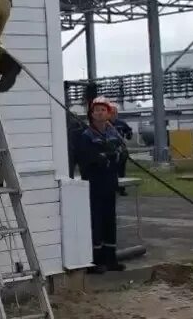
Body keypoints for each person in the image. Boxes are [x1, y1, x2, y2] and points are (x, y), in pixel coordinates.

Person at [73, 97, 125, 273]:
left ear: (109, 113)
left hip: (110, 183)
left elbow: (123, 154)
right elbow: (86, 159)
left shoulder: (114, 134)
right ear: (92, 114)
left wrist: (116, 155)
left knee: (110, 221)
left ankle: (111, 259)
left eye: (103, 110)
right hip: (95, 185)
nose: (100, 113)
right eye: (96, 110)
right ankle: (96, 261)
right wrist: (103, 156)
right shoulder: (86, 136)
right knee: (96, 222)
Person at [109, 102, 133, 196]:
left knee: (121, 171)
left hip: (121, 151)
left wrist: (128, 134)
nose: (114, 114)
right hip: (110, 151)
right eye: (111, 112)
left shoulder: (121, 123)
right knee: (111, 171)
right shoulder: (105, 124)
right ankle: (112, 188)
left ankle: (121, 189)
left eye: (115, 112)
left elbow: (129, 132)